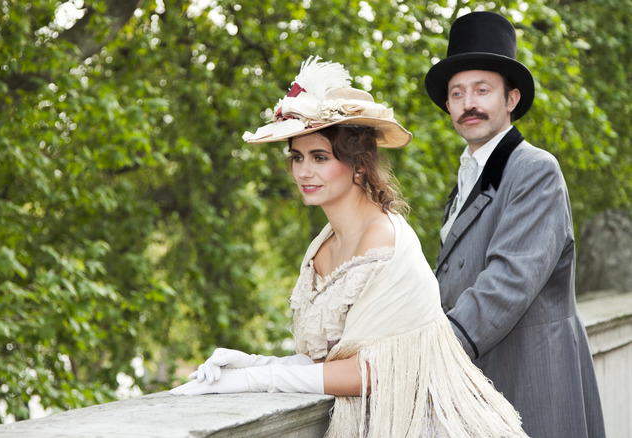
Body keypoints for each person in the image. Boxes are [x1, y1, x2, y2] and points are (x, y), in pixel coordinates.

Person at [171, 57, 528, 437]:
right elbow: (326, 358)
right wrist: (250, 363)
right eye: (297, 157)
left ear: (359, 164)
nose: (304, 172)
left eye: (320, 157)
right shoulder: (322, 246)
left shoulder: (385, 240)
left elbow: (373, 371)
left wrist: (259, 378)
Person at [423, 11, 606, 438]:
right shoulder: (466, 179)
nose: (469, 104)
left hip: (533, 383)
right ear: (448, 105)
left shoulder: (536, 169)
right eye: (457, 93)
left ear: (511, 100)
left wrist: (431, 351)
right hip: (482, 388)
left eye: (482, 90)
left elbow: (509, 280)